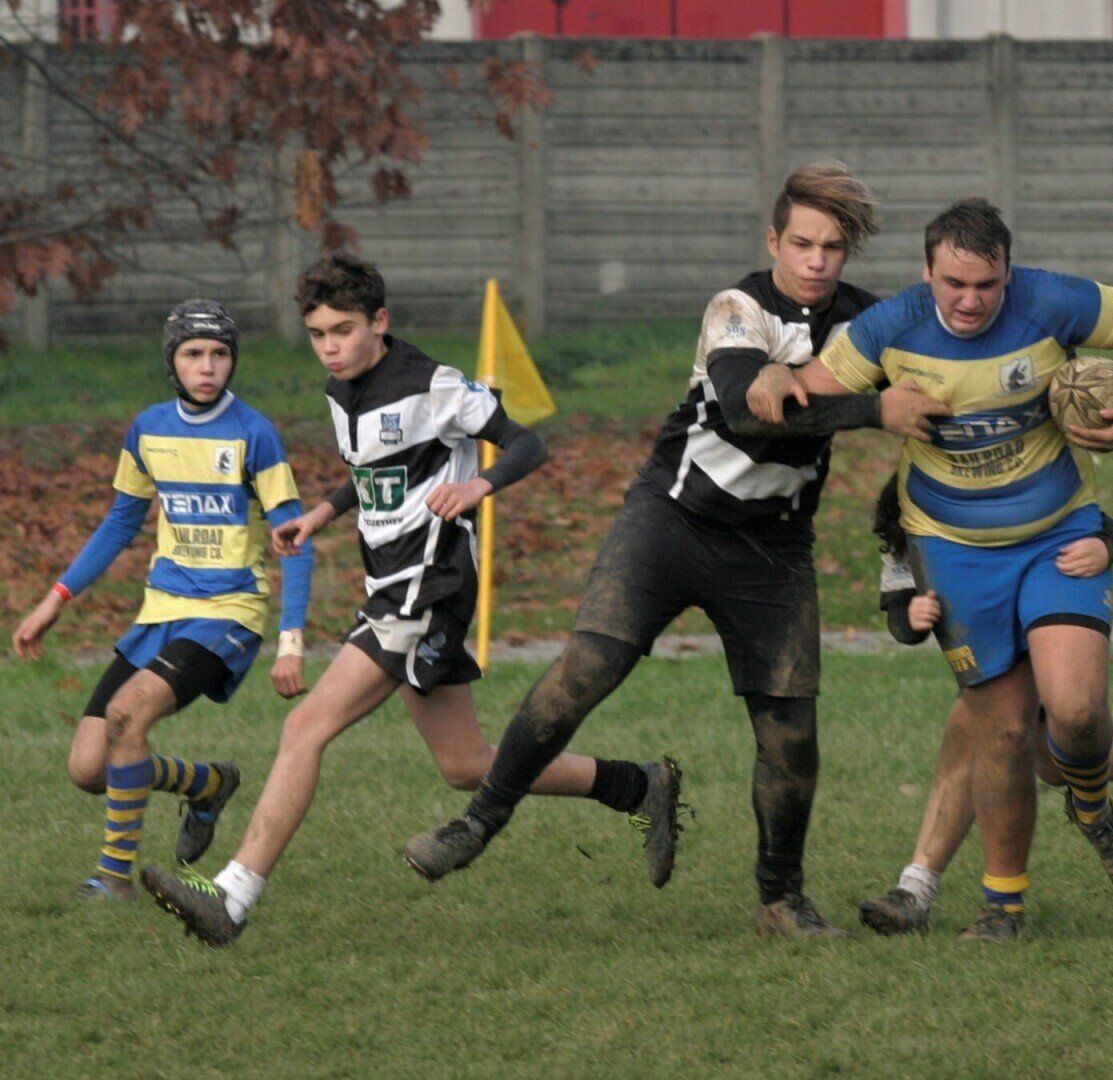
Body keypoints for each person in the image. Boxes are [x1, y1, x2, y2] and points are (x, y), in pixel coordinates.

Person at [402, 163, 949, 938]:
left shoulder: (870, 326)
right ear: (773, 240)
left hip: (773, 548)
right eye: (801, 242)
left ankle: (779, 899)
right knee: (584, 670)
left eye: (832, 246)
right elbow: (743, 411)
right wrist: (872, 409)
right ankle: (476, 823)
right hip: (672, 522)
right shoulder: (737, 308)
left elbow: (937, 372)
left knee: (791, 733)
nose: (816, 259)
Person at [141, 256, 656, 946]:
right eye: (319, 333)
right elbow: (374, 470)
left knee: (304, 729)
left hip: (429, 588)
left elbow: (528, 442)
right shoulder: (339, 386)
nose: (331, 346)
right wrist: (322, 513)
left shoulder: (432, 384)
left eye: (345, 330)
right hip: (391, 584)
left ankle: (231, 898)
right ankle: (638, 785)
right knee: (464, 764)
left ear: (379, 323)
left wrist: (480, 486)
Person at [772, 196, 1113, 939]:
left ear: (1007, 274)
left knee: (1078, 710)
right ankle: (1003, 904)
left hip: (1058, 533)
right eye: (953, 284)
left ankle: (1090, 803)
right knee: (999, 735)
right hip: (952, 551)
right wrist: (795, 389)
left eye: (986, 286)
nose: (969, 301)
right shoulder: (886, 329)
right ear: (926, 273)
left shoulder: (1051, 300)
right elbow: (800, 397)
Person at [856, 480, 1113, 934]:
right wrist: (911, 618)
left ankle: (919, 890)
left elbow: (1097, 522)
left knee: (983, 734)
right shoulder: (910, 530)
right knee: (1050, 760)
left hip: (1047, 633)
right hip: (992, 648)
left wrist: (1105, 546)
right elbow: (898, 610)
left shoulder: (1003, 490)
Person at [12, 300, 311, 898]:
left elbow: (294, 540)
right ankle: (206, 785)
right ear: (172, 362)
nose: (208, 367)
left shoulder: (254, 433)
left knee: (129, 713)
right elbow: (120, 524)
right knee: (87, 768)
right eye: (194, 354)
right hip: (161, 612)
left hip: (229, 613)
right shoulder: (149, 429)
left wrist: (291, 641)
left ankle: (111, 879)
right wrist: (55, 599)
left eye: (220, 354)